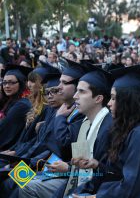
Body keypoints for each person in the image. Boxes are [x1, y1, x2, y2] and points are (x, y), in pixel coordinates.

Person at [72, 65, 140, 197]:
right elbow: (120, 173)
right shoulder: (132, 130)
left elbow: (134, 187)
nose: (109, 103)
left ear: (127, 101)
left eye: (113, 98)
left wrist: (96, 197)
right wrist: (97, 165)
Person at [20, 67, 113, 198]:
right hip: (45, 164)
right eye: (46, 92)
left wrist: (59, 119)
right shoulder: (61, 113)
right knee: (14, 178)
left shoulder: (73, 116)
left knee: (23, 184)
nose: (53, 93)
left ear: (98, 98)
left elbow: (62, 147)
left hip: (60, 172)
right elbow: (35, 143)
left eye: (54, 90)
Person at [0, 65, 32, 151]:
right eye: (4, 82)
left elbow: (3, 128)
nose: (6, 86)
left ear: (20, 83)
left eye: (11, 82)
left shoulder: (22, 105)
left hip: (8, 152)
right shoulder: (10, 100)